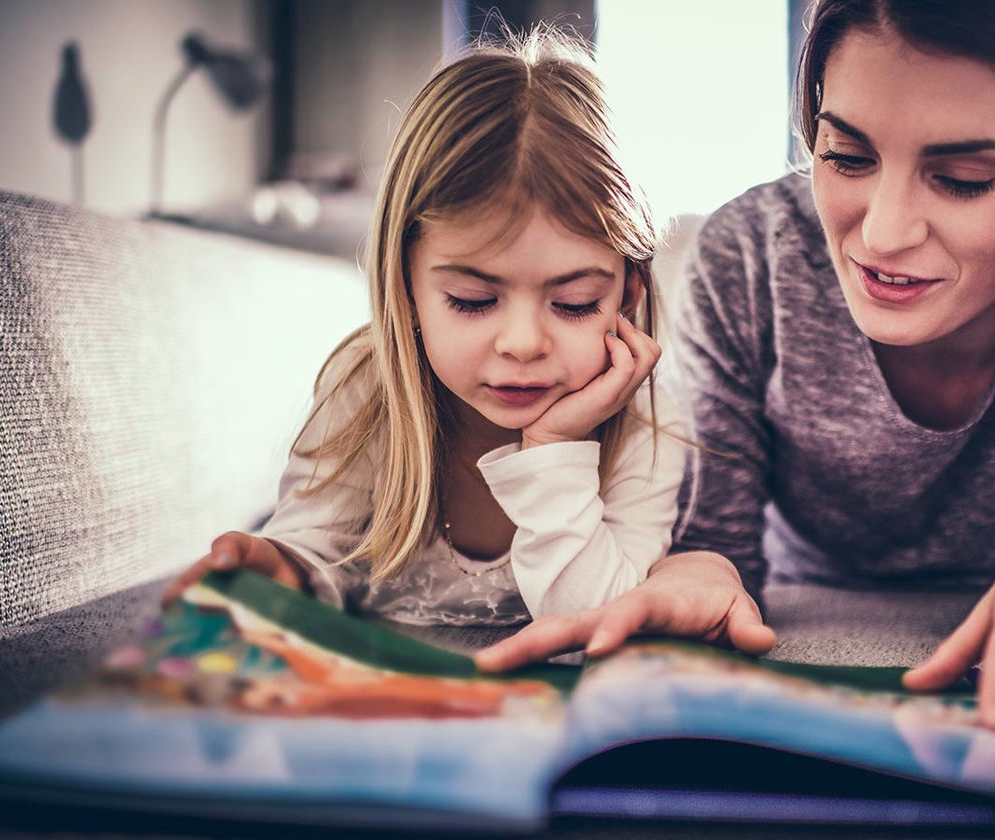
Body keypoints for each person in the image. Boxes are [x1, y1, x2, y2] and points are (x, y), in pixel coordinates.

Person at [477, 0, 995, 750]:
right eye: (845, 155)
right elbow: (715, 547)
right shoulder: (751, 255)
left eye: (963, 179)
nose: (883, 232)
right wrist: (698, 576)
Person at [163, 30, 684, 626]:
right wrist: (277, 572)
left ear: (626, 296)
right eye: (470, 300)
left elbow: (598, 625)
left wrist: (554, 451)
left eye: (574, 303)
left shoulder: (649, 428)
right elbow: (312, 555)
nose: (521, 344)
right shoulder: (365, 390)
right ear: (405, 289)